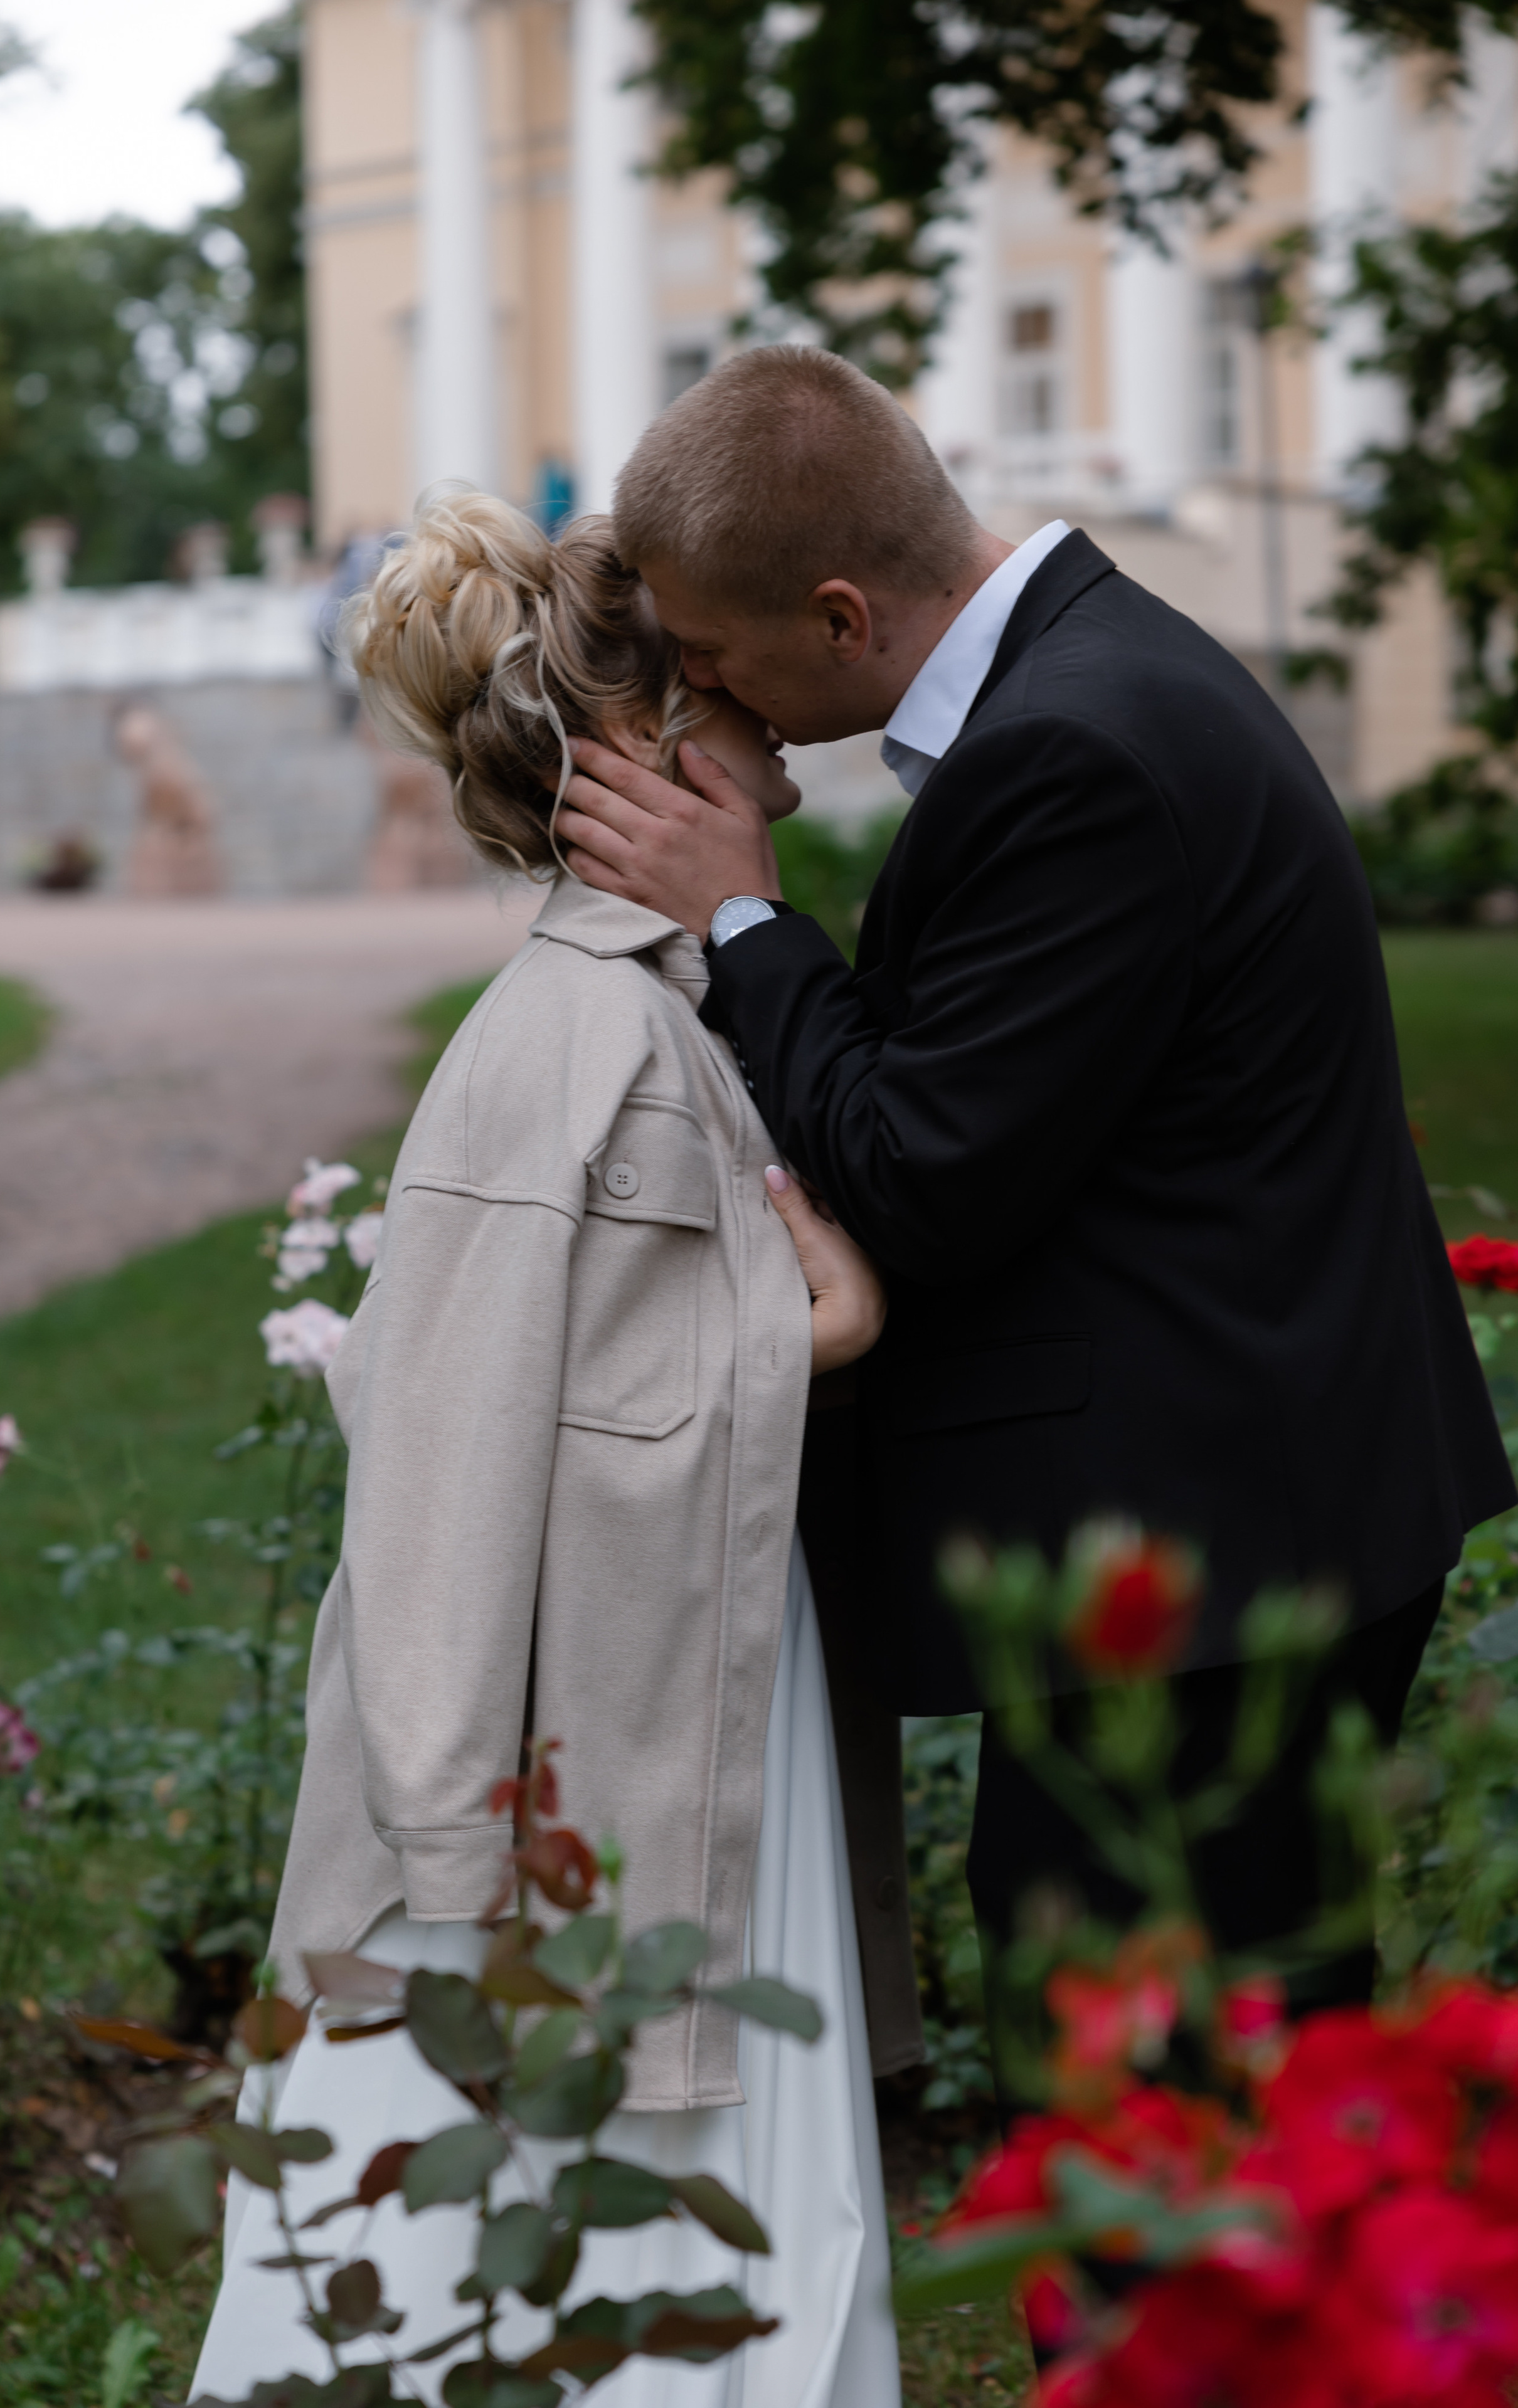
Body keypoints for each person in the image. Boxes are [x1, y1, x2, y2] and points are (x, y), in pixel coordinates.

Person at [549, 344, 1518, 2072]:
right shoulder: (1094, 669)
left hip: (1220, 1543)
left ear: (839, 618)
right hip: (1261, 1483)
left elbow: (925, 1172)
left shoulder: (1070, 753)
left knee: (1154, 2083)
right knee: (1216, 2054)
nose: (717, 700)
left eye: (714, 656)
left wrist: (750, 925)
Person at [189, 490, 908, 2407]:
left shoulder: (673, 1008)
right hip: (570, 1784)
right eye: (729, 688)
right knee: (567, 2235)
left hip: (675, 1701)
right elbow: (439, 1454)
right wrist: (449, 1871)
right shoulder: (563, 1046)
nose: (780, 717)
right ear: (662, 749)